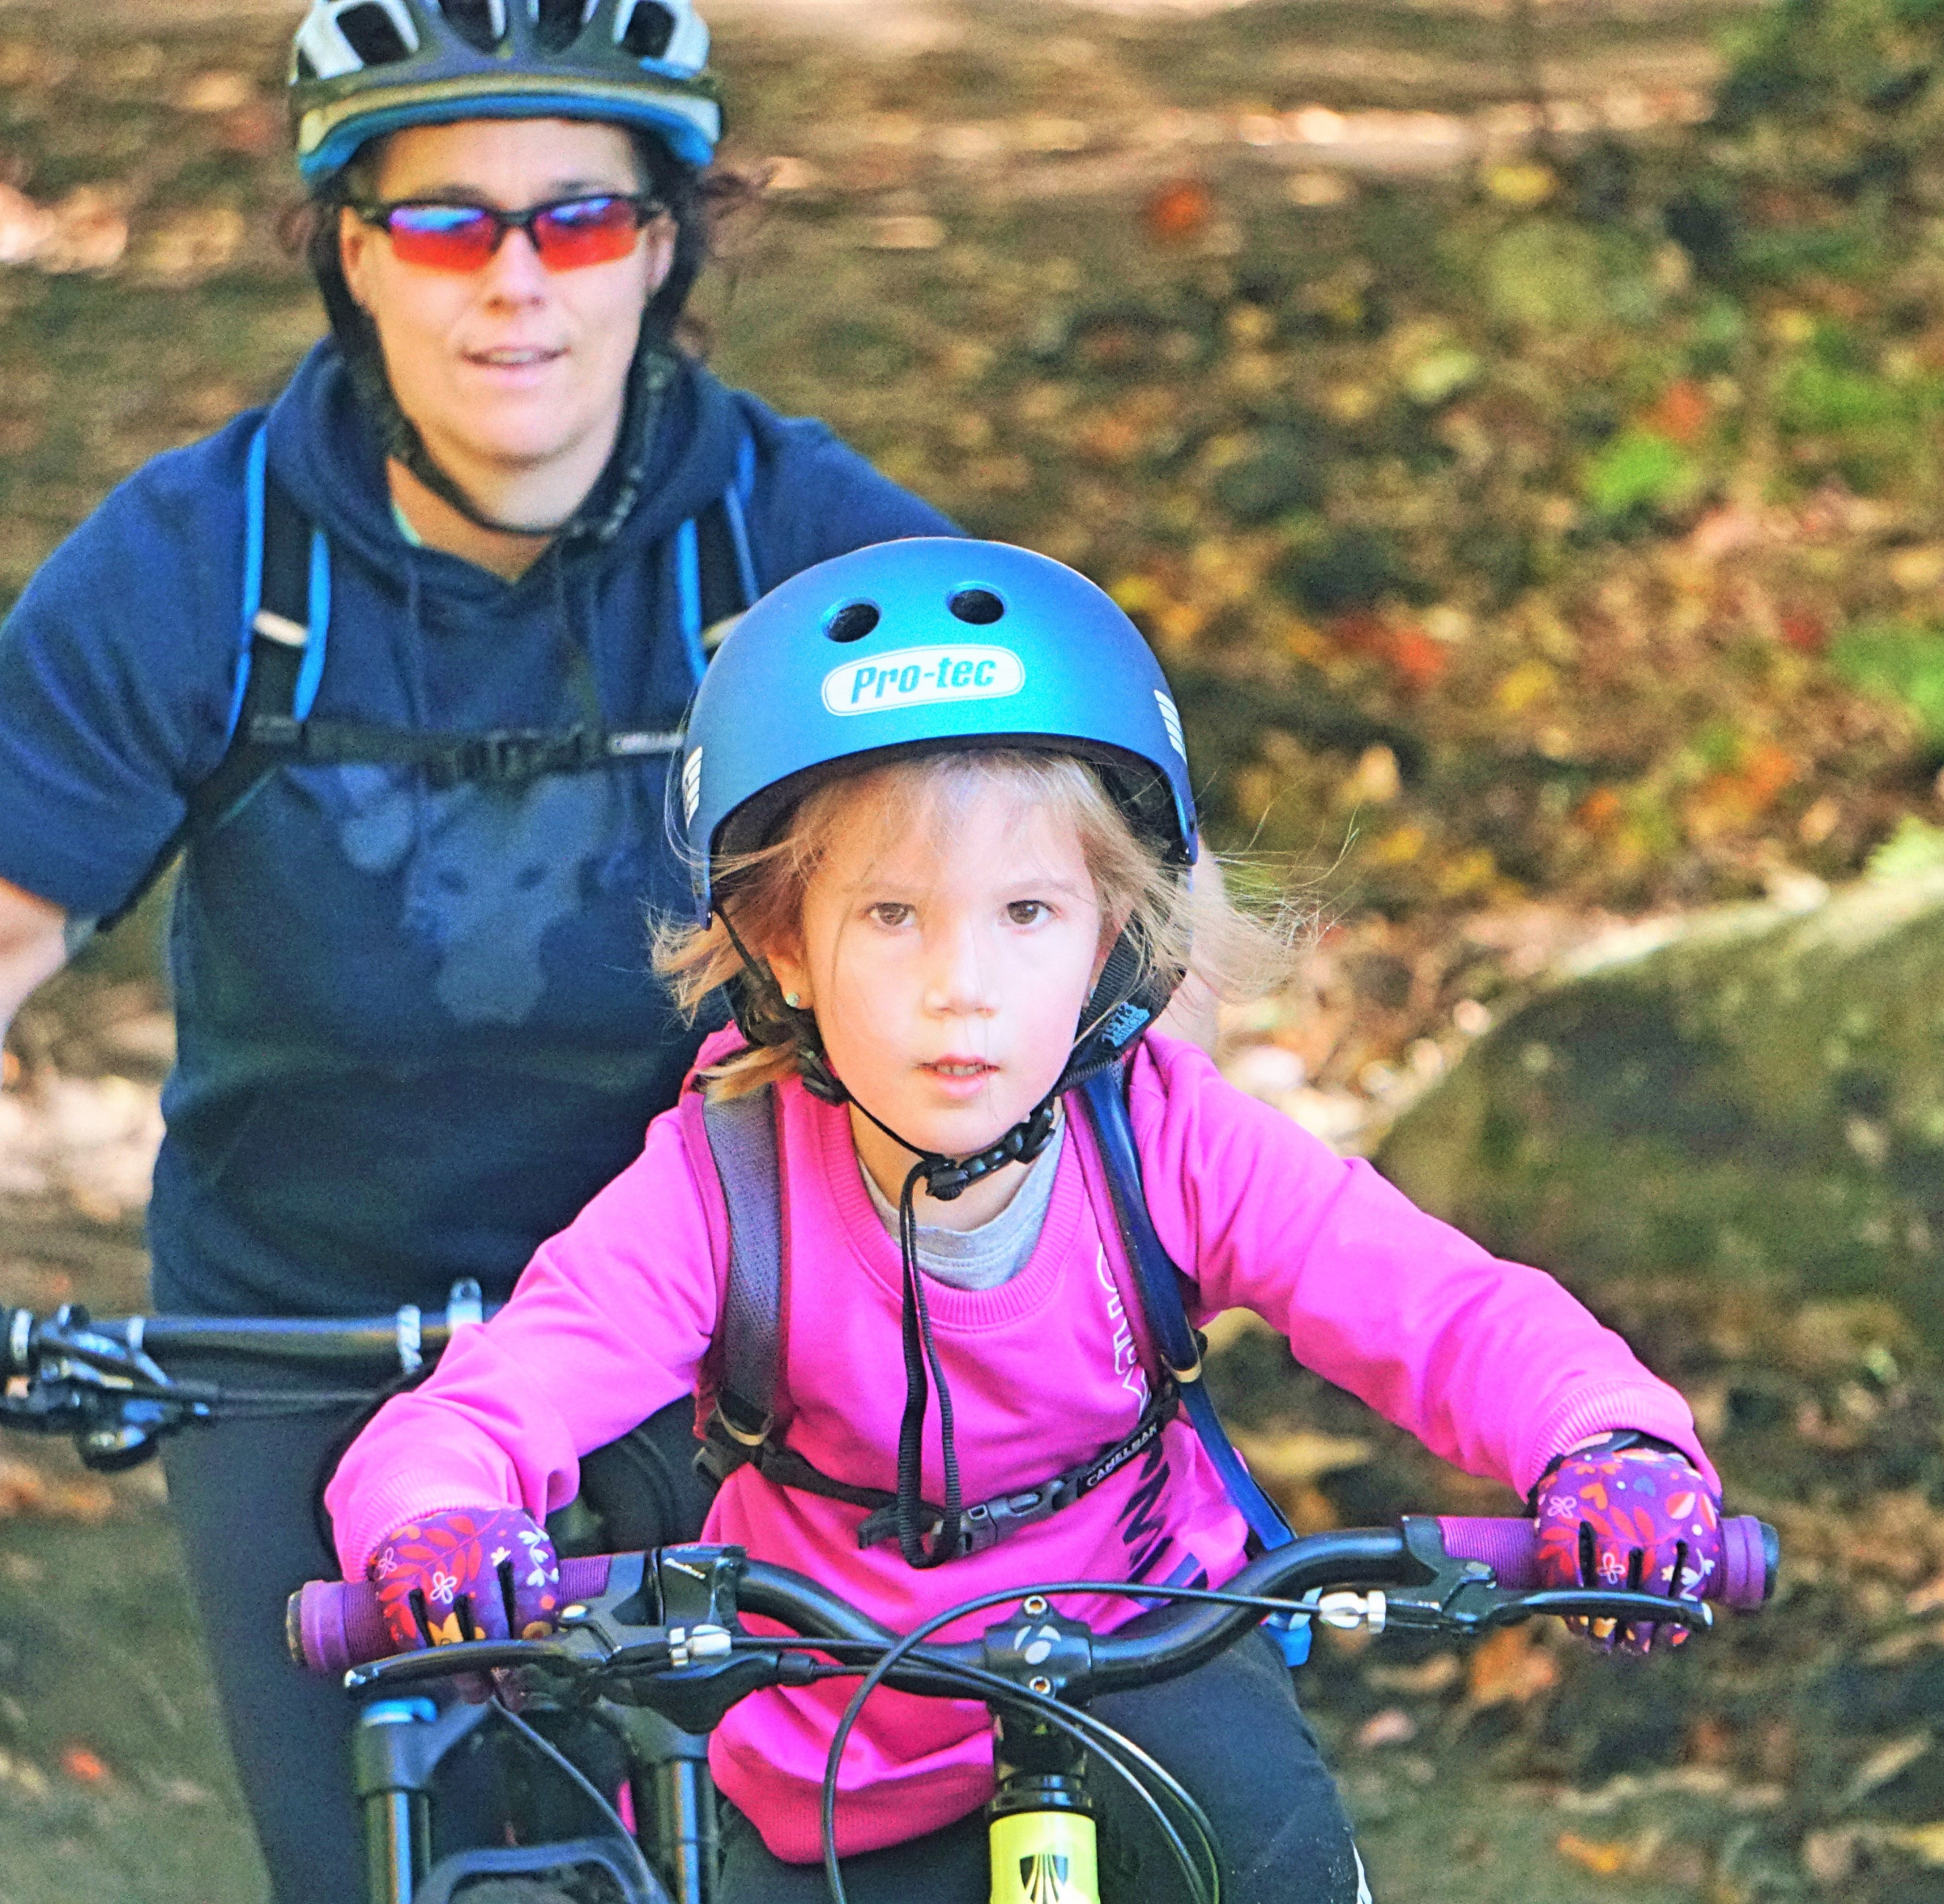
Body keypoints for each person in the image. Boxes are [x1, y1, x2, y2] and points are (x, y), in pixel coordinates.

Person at [327, 537, 1729, 1904]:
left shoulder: (1167, 1139)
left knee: (1278, 1861)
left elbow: (1444, 1310)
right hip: (837, 1727)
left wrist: (1602, 1439)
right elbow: (497, 1396)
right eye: (892, 915)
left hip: (1152, 1654)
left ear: (1112, 930)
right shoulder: (720, 1186)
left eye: (1026, 911)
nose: (965, 987)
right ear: (780, 944)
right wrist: (441, 1517)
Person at [0, 3, 958, 1896]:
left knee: (780, 1853)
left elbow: (1025, 922)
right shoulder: (208, 566)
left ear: (667, 245)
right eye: (447, 223)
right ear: (354, 249)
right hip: (294, 1328)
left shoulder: (804, 551)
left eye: (580, 219)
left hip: (726, 1318)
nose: (514, 284)